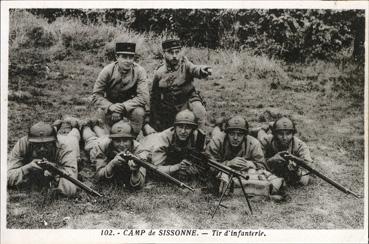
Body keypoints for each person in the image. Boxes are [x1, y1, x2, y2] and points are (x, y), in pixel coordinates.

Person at [206, 116, 284, 198]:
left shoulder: (253, 143)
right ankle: (218, 126)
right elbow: (208, 166)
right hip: (224, 169)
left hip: (244, 173)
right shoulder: (217, 141)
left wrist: (251, 164)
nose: (235, 138)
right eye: (232, 134)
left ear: (245, 135)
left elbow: (263, 165)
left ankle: (260, 130)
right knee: (215, 133)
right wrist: (228, 163)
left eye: (239, 134)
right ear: (227, 133)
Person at [149, 39, 212, 132]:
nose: (174, 56)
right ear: (164, 53)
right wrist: (153, 118)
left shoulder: (185, 65)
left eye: (177, 52)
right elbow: (154, 96)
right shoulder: (159, 73)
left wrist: (203, 70)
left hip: (188, 101)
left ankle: (200, 139)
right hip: (170, 107)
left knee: (199, 111)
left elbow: (195, 69)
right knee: (168, 131)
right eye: (170, 52)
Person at [91, 42, 149, 136]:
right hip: (110, 106)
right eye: (124, 57)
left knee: (139, 112)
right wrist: (110, 106)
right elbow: (96, 95)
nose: (128, 61)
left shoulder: (139, 71)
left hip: (131, 107)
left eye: (131, 57)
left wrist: (122, 107)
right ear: (117, 57)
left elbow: (143, 97)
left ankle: (133, 137)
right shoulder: (107, 71)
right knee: (101, 114)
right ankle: (106, 137)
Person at [7, 122, 78, 197]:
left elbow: (70, 189)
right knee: (48, 131)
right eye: (37, 145)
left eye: (46, 144)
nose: (42, 149)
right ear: (30, 142)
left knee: (74, 135)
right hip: (53, 135)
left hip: (71, 140)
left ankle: (77, 127)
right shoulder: (23, 144)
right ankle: (55, 126)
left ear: (54, 142)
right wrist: (27, 168)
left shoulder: (66, 148)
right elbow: (6, 177)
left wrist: (55, 172)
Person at [138, 109, 206, 183]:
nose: (183, 131)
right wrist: (177, 167)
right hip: (146, 148)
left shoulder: (196, 137)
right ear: (175, 127)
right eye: (180, 127)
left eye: (188, 128)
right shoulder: (164, 138)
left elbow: (199, 160)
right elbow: (157, 169)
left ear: (193, 129)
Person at [87, 120, 146, 189]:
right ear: (112, 141)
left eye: (125, 140)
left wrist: (135, 171)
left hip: (105, 139)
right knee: (90, 140)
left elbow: (140, 184)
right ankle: (85, 127)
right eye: (117, 141)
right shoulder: (102, 146)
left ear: (131, 140)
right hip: (95, 146)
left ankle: (95, 126)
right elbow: (98, 176)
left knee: (101, 135)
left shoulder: (139, 150)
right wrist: (111, 164)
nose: (121, 144)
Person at [258, 116, 312, 186]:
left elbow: (308, 165)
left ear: (293, 134)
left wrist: (297, 166)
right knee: (260, 133)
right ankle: (263, 128)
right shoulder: (266, 140)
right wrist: (271, 160)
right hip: (263, 136)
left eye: (288, 134)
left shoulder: (300, 145)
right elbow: (257, 161)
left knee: (303, 180)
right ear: (274, 134)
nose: (284, 137)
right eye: (280, 134)